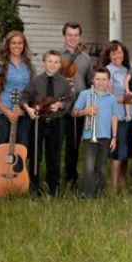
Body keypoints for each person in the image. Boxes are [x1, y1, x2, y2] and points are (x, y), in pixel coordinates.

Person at [22, 50, 72, 197]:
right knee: (36, 155)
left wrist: (61, 106)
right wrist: (29, 109)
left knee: (54, 155)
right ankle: (34, 187)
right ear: (44, 62)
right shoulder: (36, 81)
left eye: (56, 62)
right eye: (50, 61)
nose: (53, 64)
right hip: (39, 122)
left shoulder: (64, 82)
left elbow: (69, 99)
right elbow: (24, 97)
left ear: (60, 64)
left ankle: (53, 188)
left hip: (57, 122)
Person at [72, 67, 119, 198]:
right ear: (92, 80)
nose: (101, 82)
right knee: (89, 167)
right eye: (98, 79)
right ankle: (87, 194)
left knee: (102, 167)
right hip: (89, 136)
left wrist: (114, 137)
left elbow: (114, 117)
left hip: (106, 137)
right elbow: (73, 112)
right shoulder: (85, 94)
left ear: (108, 81)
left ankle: (99, 193)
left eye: (104, 79)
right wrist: (84, 111)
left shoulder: (111, 98)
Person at [59, 22, 94, 191]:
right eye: (69, 35)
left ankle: (71, 178)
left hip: (78, 108)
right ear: (64, 35)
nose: (73, 38)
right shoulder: (57, 56)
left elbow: (89, 83)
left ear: (79, 36)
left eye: (76, 35)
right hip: (60, 106)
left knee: (73, 144)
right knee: (58, 144)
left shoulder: (85, 58)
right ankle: (54, 178)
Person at [0, 31, 33, 164]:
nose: (17, 46)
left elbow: (31, 91)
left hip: (22, 114)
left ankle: (17, 180)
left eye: (20, 43)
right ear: (8, 45)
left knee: (21, 148)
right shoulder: (1, 66)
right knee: (0, 148)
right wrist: (7, 112)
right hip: (3, 113)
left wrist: (25, 109)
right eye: (13, 43)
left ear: (24, 45)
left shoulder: (29, 66)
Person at [100, 41, 132, 190]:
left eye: (119, 52)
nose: (117, 56)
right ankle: (113, 186)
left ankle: (123, 182)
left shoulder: (128, 70)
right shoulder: (107, 71)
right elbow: (107, 97)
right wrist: (126, 99)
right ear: (108, 55)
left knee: (125, 152)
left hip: (130, 115)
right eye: (113, 53)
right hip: (117, 116)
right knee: (117, 153)